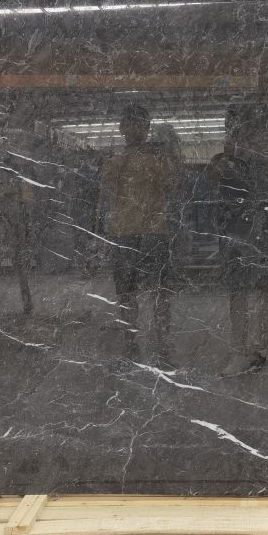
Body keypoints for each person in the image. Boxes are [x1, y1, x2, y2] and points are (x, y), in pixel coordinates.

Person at [207, 103, 268, 377]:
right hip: (236, 230)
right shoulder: (223, 160)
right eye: (231, 129)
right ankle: (240, 352)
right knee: (239, 293)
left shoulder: (264, 158)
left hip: (263, 228)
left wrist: (261, 155)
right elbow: (214, 176)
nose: (235, 134)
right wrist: (232, 156)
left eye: (242, 129)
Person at [97, 105, 173, 365]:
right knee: (128, 292)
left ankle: (160, 346)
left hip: (151, 231)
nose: (136, 129)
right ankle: (133, 346)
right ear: (122, 128)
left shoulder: (156, 160)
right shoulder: (116, 160)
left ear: (147, 128)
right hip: (128, 232)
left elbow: (173, 186)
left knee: (158, 292)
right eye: (131, 124)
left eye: (141, 124)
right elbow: (106, 195)